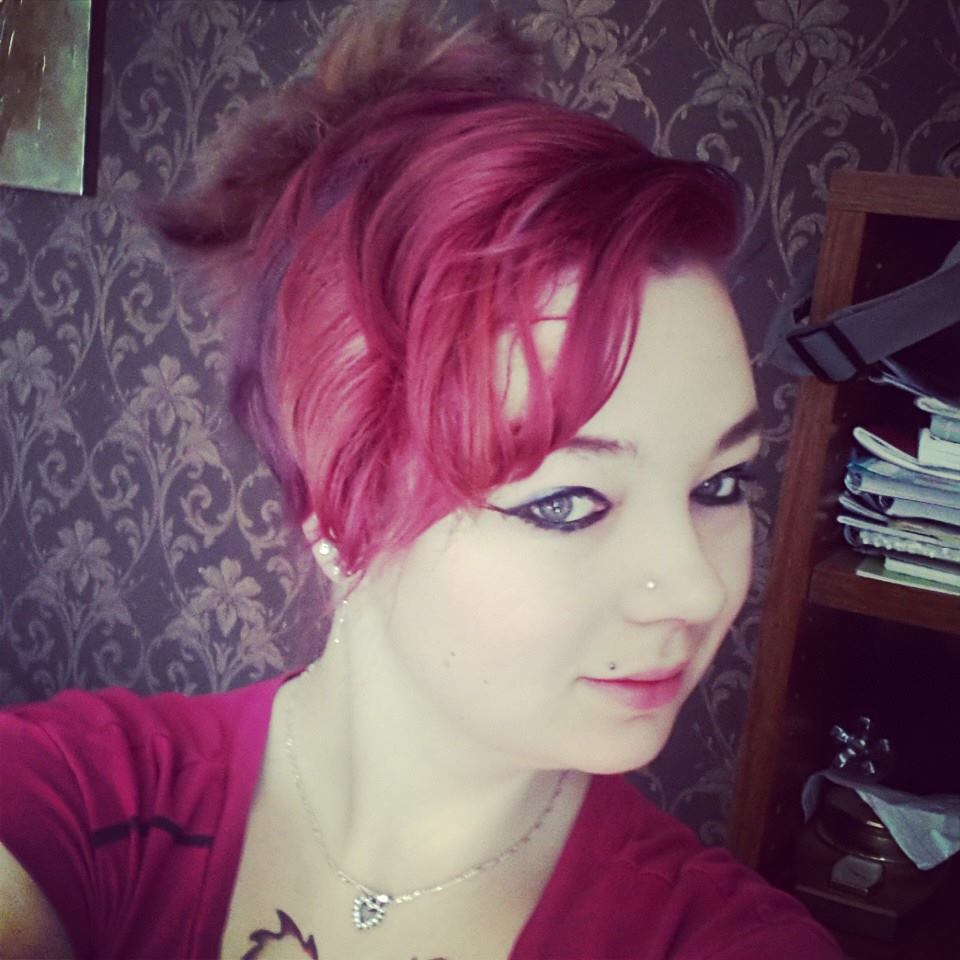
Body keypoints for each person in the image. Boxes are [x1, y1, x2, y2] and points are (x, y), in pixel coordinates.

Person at [0, 4, 843, 958]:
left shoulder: (714, 938)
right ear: (335, 510)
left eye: (719, 485)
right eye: (567, 502)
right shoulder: (76, 797)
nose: (697, 589)